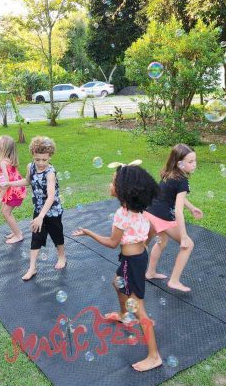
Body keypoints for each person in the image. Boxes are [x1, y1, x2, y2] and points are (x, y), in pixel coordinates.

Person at [72, 164, 162, 372]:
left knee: (139, 309)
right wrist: (144, 244)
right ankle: (124, 316)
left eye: (113, 182)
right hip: (137, 258)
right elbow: (154, 229)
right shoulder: (139, 209)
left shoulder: (121, 214)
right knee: (116, 282)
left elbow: (112, 242)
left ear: (123, 190)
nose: (110, 184)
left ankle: (154, 356)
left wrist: (89, 233)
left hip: (132, 262)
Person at [0, 136, 66, 281]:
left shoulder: (50, 173)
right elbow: (27, 181)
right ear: (33, 156)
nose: (41, 163)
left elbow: (50, 197)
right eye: (37, 159)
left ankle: (62, 257)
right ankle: (32, 268)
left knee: (57, 235)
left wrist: (41, 216)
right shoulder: (31, 167)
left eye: (44, 160)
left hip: (52, 211)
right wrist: (10, 184)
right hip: (39, 210)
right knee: (36, 237)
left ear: (50, 156)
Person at [144, 144, 203, 292]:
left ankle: (150, 272)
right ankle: (174, 281)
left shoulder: (168, 173)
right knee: (188, 245)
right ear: (180, 163)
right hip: (162, 216)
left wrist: (191, 207)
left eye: (195, 160)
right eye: (190, 162)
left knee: (162, 241)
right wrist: (183, 236)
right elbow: (178, 210)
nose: (194, 164)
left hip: (150, 212)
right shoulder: (182, 180)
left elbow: (173, 196)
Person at [0, 135, 27, 244]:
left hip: (14, 192)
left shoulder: (3, 162)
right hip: (15, 189)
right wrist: (0, 184)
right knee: (4, 211)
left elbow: (6, 183)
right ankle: (15, 231)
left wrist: (0, 197)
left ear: (4, 148)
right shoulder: (6, 160)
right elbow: (7, 179)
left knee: (6, 212)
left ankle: (18, 235)